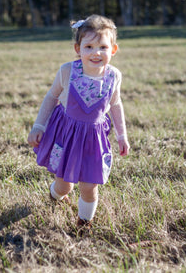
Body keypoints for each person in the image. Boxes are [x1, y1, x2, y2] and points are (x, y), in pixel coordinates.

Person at [27, 14, 130, 233]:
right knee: (65, 184)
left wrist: (122, 135)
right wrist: (38, 126)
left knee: (89, 186)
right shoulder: (67, 71)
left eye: (102, 47)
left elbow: (116, 104)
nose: (96, 53)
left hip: (93, 139)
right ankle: (55, 195)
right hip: (67, 135)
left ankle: (84, 223)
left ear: (113, 50)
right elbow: (51, 97)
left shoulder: (114, 76)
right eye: (89, 46)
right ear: (78, 48)